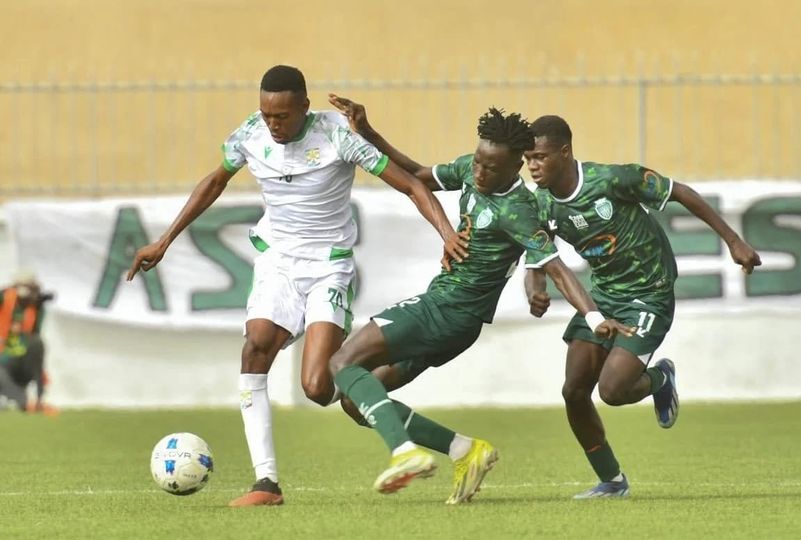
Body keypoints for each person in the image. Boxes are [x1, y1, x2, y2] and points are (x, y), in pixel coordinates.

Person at [126, 65, 467, 508]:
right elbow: (214, 181)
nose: (274, 124)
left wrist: (446, 232)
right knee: (256, 346)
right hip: (278, 263)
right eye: (267, 114)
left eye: (282, 116)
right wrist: (165, 239)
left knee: (319, 388)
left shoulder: (338, 136)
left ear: (305, 108)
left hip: (328, 268)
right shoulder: (251, 133)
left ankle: (420, 405)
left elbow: (410, 186)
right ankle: (266, 483)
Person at [327, 94, 634, 503]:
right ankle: (464, 450)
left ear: (516, 165)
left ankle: (404, 453)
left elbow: (556, 266)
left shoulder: (520, 210)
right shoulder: (470, 172)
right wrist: (367, 132)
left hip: (447, 312)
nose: (479, 172)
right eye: (477, 161)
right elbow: (417, 172)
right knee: (357, 399)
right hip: (450, 318)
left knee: (341, 362)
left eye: (491, 167)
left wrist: (594, 317)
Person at [522, 115, 762, 498]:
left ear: (564, 152)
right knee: (573, 391)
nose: (532, 166)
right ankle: (612, 481)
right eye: (527, 158)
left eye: (540, 156)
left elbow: (680, 192)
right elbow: (537, 253)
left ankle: (661, 379)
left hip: (649, 292)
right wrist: (534, 286)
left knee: (613, 391)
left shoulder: (614, 179)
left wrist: (734, 241)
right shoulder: (541, 203)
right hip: (601, 295)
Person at [0, 269, 55, 413]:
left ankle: (26, 399)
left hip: (18, 349)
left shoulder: (37, 306)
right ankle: (19, 399)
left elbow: (34, 334)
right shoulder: (4, 297)